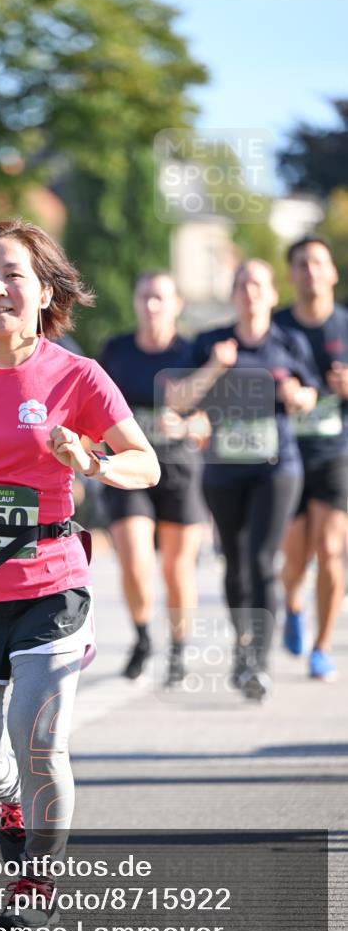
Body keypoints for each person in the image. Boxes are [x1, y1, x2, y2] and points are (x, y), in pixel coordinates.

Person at [0, 219, 160, 927]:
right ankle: (12, 799)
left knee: (41, 740)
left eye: (12, 275)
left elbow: (145, 465)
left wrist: (91, 462)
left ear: (44, 292)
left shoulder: (77, 375)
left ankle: (35, 881)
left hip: (50, 584)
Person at [167, 259, 319, 701]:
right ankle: (242, 644)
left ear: (272, 294)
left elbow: (311, 395)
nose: (250, 293)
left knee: (262, 560)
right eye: (242, 285)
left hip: (277, 465)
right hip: (223, 469)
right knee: (235, 563)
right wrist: (215, 367)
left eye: (258, 285)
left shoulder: (288, 342)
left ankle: (259, 661)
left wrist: (298, 396)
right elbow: (177, 400)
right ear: (233, 295)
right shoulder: (211, 342)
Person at [100, 271, 206, 685]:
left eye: (160, 298)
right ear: (135, 302)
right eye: (145, 296)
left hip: (178, 468)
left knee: (177, 570)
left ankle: (178, 648)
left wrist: (185, 426)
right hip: (128, 468)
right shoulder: (116, 351)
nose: (151, 306)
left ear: (177, 305)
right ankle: (143, 637)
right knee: (135, 560)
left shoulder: (192, 352)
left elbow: (211, 420)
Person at [275, 236, 348, 681]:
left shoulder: (345, 325)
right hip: (286, 454)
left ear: (333, 272)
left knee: (332, 549)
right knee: (296, 559)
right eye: (302, 263)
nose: (311, 271)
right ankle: (293, 604)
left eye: (318, 262)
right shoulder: (277, 328)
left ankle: (321, 647)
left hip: (335, 452)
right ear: (291, 275)